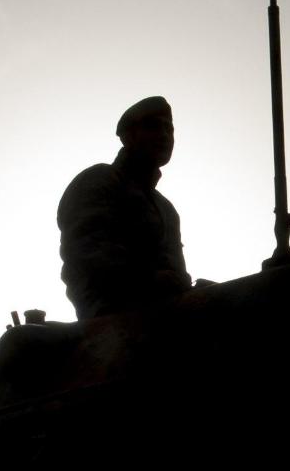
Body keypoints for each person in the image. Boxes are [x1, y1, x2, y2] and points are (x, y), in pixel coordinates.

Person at [57, 96, 192, 321]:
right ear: (128, 136)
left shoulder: (166, 209)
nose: (165, 135)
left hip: (168, 311)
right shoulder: (99, 180)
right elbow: (87, 254)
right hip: (111, 315)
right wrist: (150, 280)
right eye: (153, 126)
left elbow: (176, 272)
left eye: (170, 129)